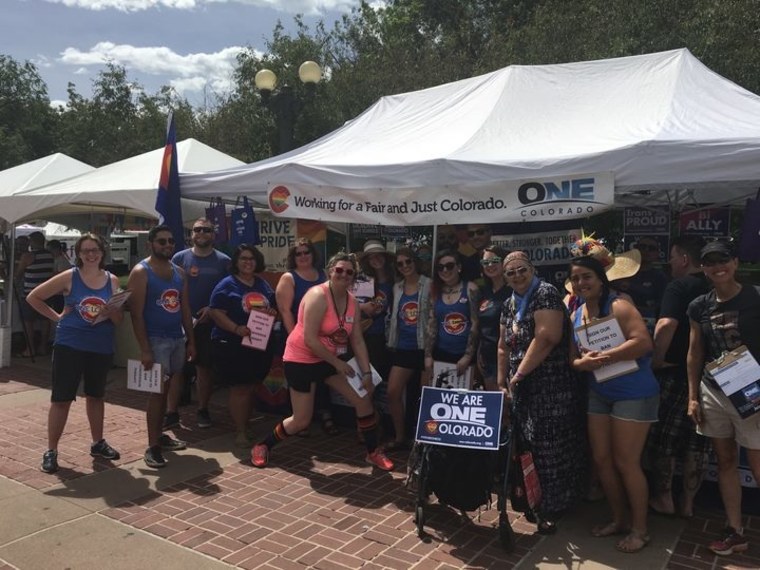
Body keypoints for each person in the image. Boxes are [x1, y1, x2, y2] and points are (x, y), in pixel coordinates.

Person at [251, 253, 393, 472]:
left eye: (349, 272)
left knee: (363, 399)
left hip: (330, 359)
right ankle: (263, 445)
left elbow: (356, 339)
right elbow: (309, 339)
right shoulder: (318, 295)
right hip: (302, 359)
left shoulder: (352, 301)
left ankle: (372, 452)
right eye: (339, 270)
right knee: (301, 421)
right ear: (330, 271)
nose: (343, 275)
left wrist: (366, 373)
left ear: (353, 277)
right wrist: (337, 363)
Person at [569, 255, 659, 554]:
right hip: (599, 393)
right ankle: (619, 520)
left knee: (626, 463)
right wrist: (583, 363)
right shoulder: (577, 313)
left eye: (587, 277)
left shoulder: (618, 305)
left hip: (634, 392)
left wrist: (607, 356)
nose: (582, 283)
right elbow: (575, 359)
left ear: (600, 279)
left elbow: (644, 342)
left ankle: (640, 530)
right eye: (577, 278)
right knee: (602, 461)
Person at [497, 251, 585, 534]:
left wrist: (519, 373)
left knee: (551, 446)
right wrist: (502, 380)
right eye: (510, 273)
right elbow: (503, 345)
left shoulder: (545, 293)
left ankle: (554, 504)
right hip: (523, 386)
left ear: (532, 269)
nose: (517, 276)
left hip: (550, 385)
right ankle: (535, 498)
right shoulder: (508, 302)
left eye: (521, 269)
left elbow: (547, 337)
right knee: (530, 445)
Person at [26, 233, 123, 474]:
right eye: (85, 251)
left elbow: (119, 320)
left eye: (95, 250)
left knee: (96, 396)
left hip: (100, 346)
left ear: (102, 252)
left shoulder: (112, 281)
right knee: (61, 399)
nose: (91, 255)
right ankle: (51, 450)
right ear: (78, 254)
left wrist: (111, 310)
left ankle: (97, 442)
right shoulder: (70, 276)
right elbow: (34, 297)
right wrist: (57, 317)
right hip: (70, 344)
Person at [686, 240, 760, 556]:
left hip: (752, 391)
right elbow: (695, 352)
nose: (718, 266)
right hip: (713, 390)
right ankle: (735, 530)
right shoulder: (699, 305)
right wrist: (692, 396)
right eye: (710, 261)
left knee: (758, 463)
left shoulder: (755, 297)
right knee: (726, 460)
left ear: (735, 262)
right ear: (702, 268)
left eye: (723, 259)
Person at [648, 236, 710, 518]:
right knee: (698, 441)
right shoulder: (715, 286)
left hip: (675, 374)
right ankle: (688, 503)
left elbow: (665, 324)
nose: (669, 263)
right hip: (711, 377)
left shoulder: (678, 285)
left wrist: (656, 360)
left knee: (666, 439)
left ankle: (664, 500)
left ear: (684, 259)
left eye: (672, 257)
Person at [127, 225, 195, 469]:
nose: (167, 245)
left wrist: (191, 341)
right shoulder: (141, 272)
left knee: (166, 391)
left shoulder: (179, 272)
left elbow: (185, 308)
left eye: (171, 242)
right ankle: (152, 446)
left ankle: (159, 435)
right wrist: (145, 349)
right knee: (156, 394)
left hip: (176, 339)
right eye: (162, 242)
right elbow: (136, 315)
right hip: (155, 341)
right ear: (150, 244)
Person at [208, 244, 277, 448]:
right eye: (244, 259)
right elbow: (215, 312)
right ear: (236, 262)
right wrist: (236, 328)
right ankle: (239, 430)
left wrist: (272, 313)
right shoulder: (226, 285)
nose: (248, 262)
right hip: (233, 345)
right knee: (240, 389)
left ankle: (245, 424)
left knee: (252, 386)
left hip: (258, 344)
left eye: (252, 259)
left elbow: (271, 308)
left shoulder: (262, 285)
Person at [167, 218, 231, 429]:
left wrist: (213, 310)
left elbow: (229, 292)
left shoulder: (224, 261)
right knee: (176, 369)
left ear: (214, 234)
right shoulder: (179, 257)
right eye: (197, 230)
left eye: (207, 230)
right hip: (179, 322)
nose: (201, 233)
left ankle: (203, 409)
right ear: (191, 234)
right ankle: (172, 412)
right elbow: (170, 287)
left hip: (208, 324)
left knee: (204, 370)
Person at [274, 238, 335, 436]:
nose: (303, 256)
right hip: (299, 339)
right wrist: (298, 339)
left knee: (323, 376)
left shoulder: (323, 274)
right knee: (301, 381)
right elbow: (285, 311)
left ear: (312, 254)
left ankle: (324, 414)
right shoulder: (288, 278)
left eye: (306, 252)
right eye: (298, 253)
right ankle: (300, 421)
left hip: (323, 338)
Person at [385, 247, 431, 451]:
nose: (405, 266)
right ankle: (400, 437)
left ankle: (421, 439)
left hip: (424, 347)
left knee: (424, 397)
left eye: (408, 262)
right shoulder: (397, 287)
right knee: (392, 392)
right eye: (400, 263)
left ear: (415, 262)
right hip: (403, 346)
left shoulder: (429, 285)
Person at [424, 250, 479, 386]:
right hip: (441, 353)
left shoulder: (471, 289)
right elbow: (432, 323)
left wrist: (467, 356)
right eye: (440, 267)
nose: (445, 270)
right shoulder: (434, 291)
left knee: (462, 399)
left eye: (449, 266)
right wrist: (428, 355)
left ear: (459, 267)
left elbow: (475, 324)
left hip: (464, 355)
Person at [357, 239, 394, 382]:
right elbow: (353, 305)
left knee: (382, 374)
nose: (376, 260)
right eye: (371, 257)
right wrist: (363, 307)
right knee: (369, 373)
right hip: (368, 333)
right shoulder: (363, 280)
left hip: (387, 334)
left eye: (379, 255)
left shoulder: (394, 279)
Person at [477, 245, 510, 390]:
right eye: (485, 263)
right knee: (494, 407)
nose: (490, 265)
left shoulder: (513, 291)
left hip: (507, 359)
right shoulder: (483, 292)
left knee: (508, 406)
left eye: (494, 260)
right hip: (487, 359)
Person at [17, 231, 55, 356]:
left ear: (32, 242)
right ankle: (43, 347)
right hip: (46, 292)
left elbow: (18, 274)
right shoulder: (50, 255)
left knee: (28, 322)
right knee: (45, 320)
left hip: (30, 293)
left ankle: (30, 348)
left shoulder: (28, 256)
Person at [622, 236, 669, 334]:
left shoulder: (660, 277)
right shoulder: (622, 273)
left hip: (647, 326)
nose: (646, 250)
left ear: (657, 253)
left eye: (651, 248)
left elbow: (661, 306)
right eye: (642, 247)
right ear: (636, 249)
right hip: (621, 323)